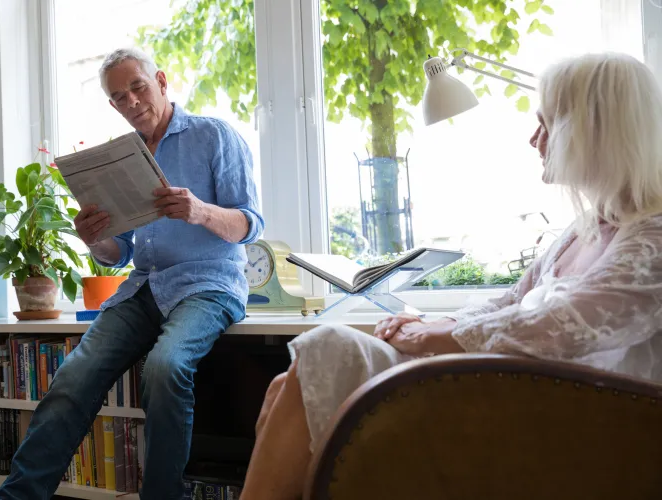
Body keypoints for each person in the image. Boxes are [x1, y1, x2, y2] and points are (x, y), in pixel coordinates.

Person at [239, 52, 662, 500]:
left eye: (547, 123)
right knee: (286, 384)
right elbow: (508, 303)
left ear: (594, 132)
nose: (534, 138)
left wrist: (433, 337)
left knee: (327, 348)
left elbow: (562, 327)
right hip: (514, 396)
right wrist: (432, 326)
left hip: (572, 424)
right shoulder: (581, 233)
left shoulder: (652, 237)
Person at [0, 47, 263, 500]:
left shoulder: (215, 136)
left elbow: (250, 225)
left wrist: (199, 212)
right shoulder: (121, 158)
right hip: (144, 288)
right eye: (119, 97)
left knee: (165, 366)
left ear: (160, 80)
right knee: (74, 376)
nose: (132, 101)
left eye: (137, 87)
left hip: (208, 285)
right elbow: (116, 254)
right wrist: (91, 236)